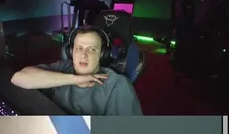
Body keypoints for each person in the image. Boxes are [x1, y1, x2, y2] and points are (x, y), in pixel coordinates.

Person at [10, 27, 143, 115]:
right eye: (79, 48)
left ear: (102, 55)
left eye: (91, 49)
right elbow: (18, 78)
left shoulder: (118, 85)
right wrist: (74, 79)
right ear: (70, 51)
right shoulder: (63, 68)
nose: (83, 55)